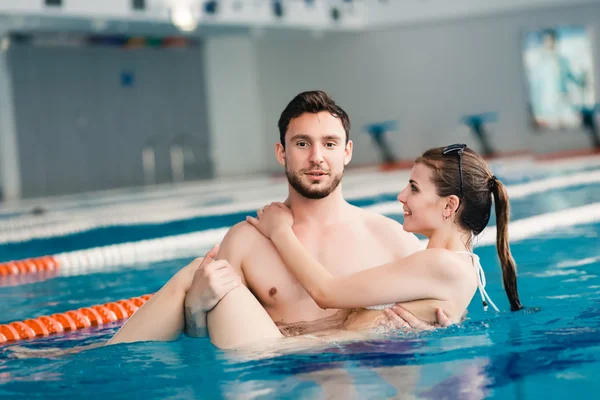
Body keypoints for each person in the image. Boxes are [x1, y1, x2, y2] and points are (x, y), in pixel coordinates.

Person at [108, 91, 451, 349]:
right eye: (302, 143)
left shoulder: (390, 239)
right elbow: (201, 340)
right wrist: (197, 309)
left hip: (353, 370)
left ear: (347, 152)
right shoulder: (246, 240)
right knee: (201, 274)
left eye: (329, 143)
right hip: (271, 371)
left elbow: (442, 316)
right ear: (281, 152)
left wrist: (432, 326)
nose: (317, 157)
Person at [246, 144, 523, 326]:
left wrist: (279, 231)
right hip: (331, 355)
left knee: (218, 281)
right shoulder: (461, 266)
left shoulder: (440, 262)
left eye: (414, 188)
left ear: (449, 205)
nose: (402, 196)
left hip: (307, 355)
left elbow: (325, 292)